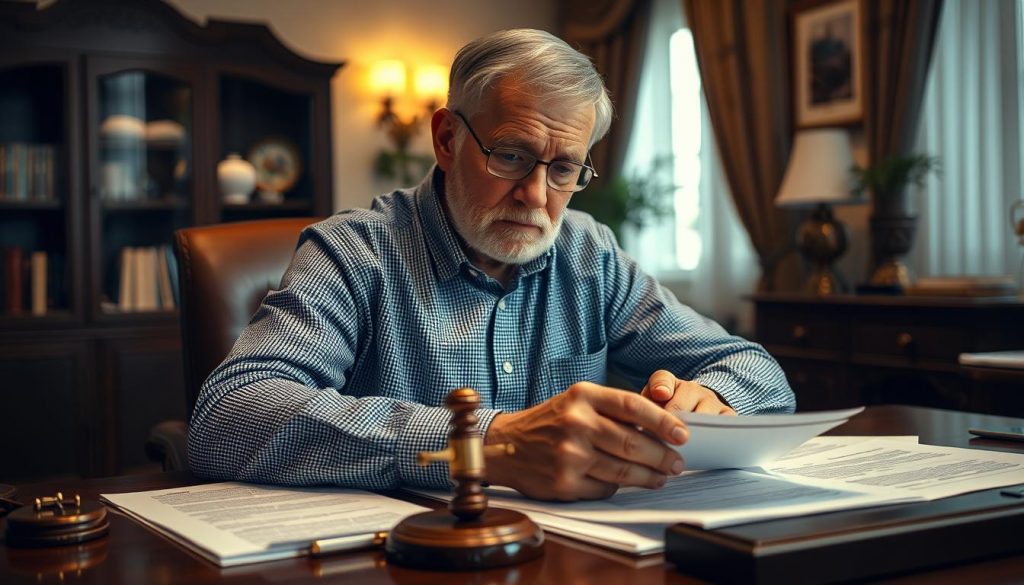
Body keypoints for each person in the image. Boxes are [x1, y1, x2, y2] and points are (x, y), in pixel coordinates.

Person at [188, 29, 795, 502]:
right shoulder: (352, 251)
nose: (536, 196)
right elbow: (228, 415)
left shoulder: (590, 255)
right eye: (511, 155)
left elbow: (758, 372)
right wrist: (484, 443)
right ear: (447, 139)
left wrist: (706, 399)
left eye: (564, 170)